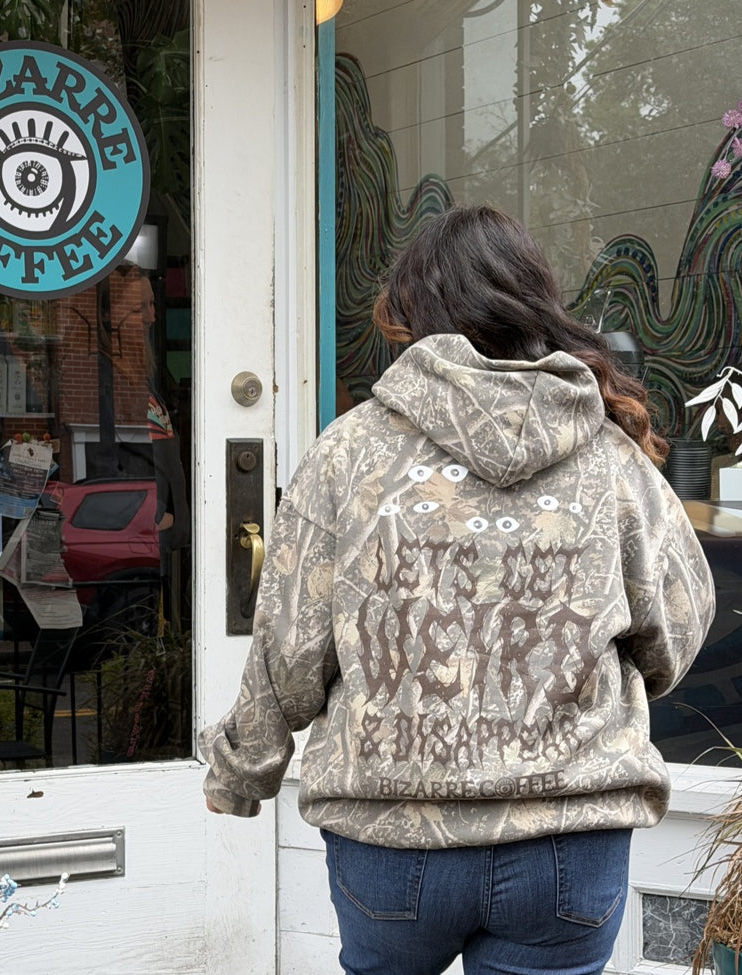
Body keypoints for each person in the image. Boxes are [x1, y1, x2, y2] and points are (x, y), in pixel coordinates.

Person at [200, 204, 716, 975]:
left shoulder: (348, 455)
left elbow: (288, 648)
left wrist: (244, 773)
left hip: (392, 843)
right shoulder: (609, 458)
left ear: (412, 315)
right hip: (566, 846)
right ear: (529, 304)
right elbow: (676, 624)